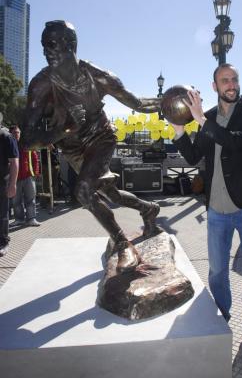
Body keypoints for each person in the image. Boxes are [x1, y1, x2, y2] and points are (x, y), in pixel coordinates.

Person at [22, 20, 162, 273]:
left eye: (52, 44)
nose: (46, 50)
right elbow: (27, 140)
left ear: (71, 45)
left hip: (101, 138)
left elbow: (137, 103)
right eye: (44, 45)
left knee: (84, 191)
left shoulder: (98, 77)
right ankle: (149, 209)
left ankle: (123, 244)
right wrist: (63, 130)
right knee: (111, 196)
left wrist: (167, 103)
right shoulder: (41, 85)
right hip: (72, 148)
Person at [172, 63, 242, 360]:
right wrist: (179, 129)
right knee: (216, 273)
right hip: (216, 211)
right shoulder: (210, 118)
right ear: (214, 86)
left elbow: (237, 145)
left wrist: (201, 119)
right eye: (225, 80)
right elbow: (192, 156)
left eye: (234, 79)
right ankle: (221, 318)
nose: (231, 84)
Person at [10, 125, 40, 226]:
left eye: (18, 132)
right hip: (15, 177)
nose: (16, 134)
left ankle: (31, 219)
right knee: (16, 200)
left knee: (31, 199)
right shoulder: (8, 145)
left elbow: (35, 158)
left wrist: (35, 173)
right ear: (11, 134)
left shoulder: (27, 144)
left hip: (28, 176)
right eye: (14, 133)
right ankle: (19, 219)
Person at [0, 115, 19, 257]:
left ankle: (3, 242)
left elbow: (14, 162)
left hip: (2, 181)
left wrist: (12, 184)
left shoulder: (6, 137)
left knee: (2, 213)